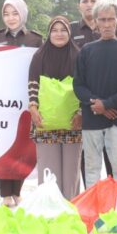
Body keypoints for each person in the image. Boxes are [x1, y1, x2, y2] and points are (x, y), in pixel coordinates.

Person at [73, 0, 117, 191]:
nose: (107, 24)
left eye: (111, 19)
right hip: (92, 118)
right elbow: (78, 85)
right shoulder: (86, 51)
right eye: (102, 20)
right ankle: (92, 207)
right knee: (92, 169)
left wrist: (108, 104)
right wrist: (98, 105)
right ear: (95, 22)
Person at [0, 0, 43, 206]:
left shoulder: (35, 40)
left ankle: (17, 191)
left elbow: (40, 68)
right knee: (3, 145)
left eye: (15, 13)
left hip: (25, 99)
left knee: (21, 146)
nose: (10, 18)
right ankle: (5, 194)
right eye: (6, 14)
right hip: (2, 100)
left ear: (23, 14)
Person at [26, 16, 83, 199]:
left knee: (71, 171)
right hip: (45, 121)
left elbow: (85, 87)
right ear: (49, 33)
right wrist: (33, 108)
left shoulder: (79, 56)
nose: (59, 34)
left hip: (73, 122)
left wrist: (81, 112)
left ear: (69, 33)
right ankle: (49, 208)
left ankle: (70, 207)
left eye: (63, 30)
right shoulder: (39, 56)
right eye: (55, 30)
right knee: (48, 170)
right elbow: (33, 83)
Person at [70, 0, 116, 179]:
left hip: (110, 102)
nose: (89, 4)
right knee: (87, 158)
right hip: (81, 100)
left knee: (112, 156)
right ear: (78, 5)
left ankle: (113, 194)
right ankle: (90, 193)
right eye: (85, 1)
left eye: (93, 0)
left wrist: (109, 103)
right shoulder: (70, 29)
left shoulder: (112, 27)